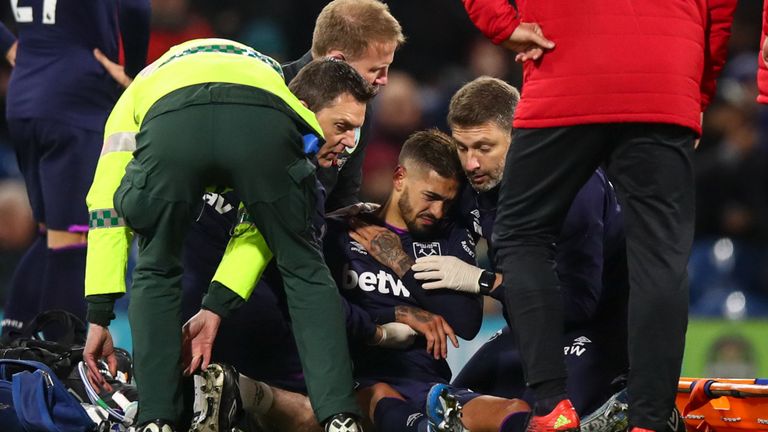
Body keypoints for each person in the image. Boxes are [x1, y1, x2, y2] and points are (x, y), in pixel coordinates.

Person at [460, 1, 737, 430]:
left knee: (520, 235)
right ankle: (649, 420)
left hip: (565, 70)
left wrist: (501, 24)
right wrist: (699, 88)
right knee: (661, 257)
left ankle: (551, 407)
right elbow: (720, 8)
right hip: (664, 77)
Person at [82, 42, 375, 432]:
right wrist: (219, 302)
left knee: (156, 265)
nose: (349, 141)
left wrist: (100, 313)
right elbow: (258, 227)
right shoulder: (275, 79)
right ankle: (340, 417)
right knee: (304, 265)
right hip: (260, 120)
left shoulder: (141, 87)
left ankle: (154, 421)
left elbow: (105, 207)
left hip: (172, 124)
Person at [411, 76, 633, 423]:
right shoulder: (474, 177)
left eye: (484, 148)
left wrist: (485, 282)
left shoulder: (573, 189)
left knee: (546, 420)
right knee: (448, 411)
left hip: (599, 328)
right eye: (462, 147)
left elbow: (579, 305)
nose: (470, 163)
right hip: (528, 327)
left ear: (519, 138)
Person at [332, 129, 530, 432]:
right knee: (383, 397)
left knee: (516, 410)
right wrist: (396, 315)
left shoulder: (448, 238)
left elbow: (465, 323)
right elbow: (320, 311)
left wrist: (400, 261)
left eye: (447, 202)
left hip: (427, 384)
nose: (437, 211)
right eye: (431, 197)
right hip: (360, 381)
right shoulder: (346, 230)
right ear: (400, 177)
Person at [0, 0, 150, 339]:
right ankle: (61, 359)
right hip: (77, 96)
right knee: (75, 237)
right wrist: (135, 72)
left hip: (25, 94)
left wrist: (10, 47)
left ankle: (13, 347)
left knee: (50, 234)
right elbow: (136, 7)